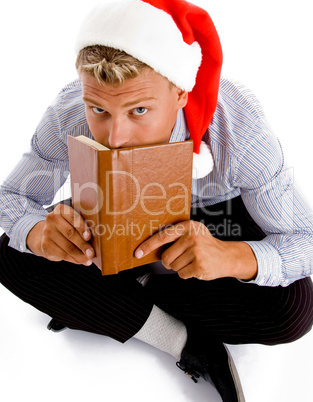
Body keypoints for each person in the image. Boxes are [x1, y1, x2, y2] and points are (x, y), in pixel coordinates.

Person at [0, 0, 313, 401]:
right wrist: (40, 232)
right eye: (99, 109)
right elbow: (13, 196)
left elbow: (304, 238)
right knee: (12, 253)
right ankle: (184, 341)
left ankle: (108, 302)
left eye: (139, 109)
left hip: (215, 218)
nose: (115, 138)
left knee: (292, 309)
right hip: (111, 210)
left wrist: (230, 258)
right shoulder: (69, 110)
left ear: (181, 93)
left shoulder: (239, 126)